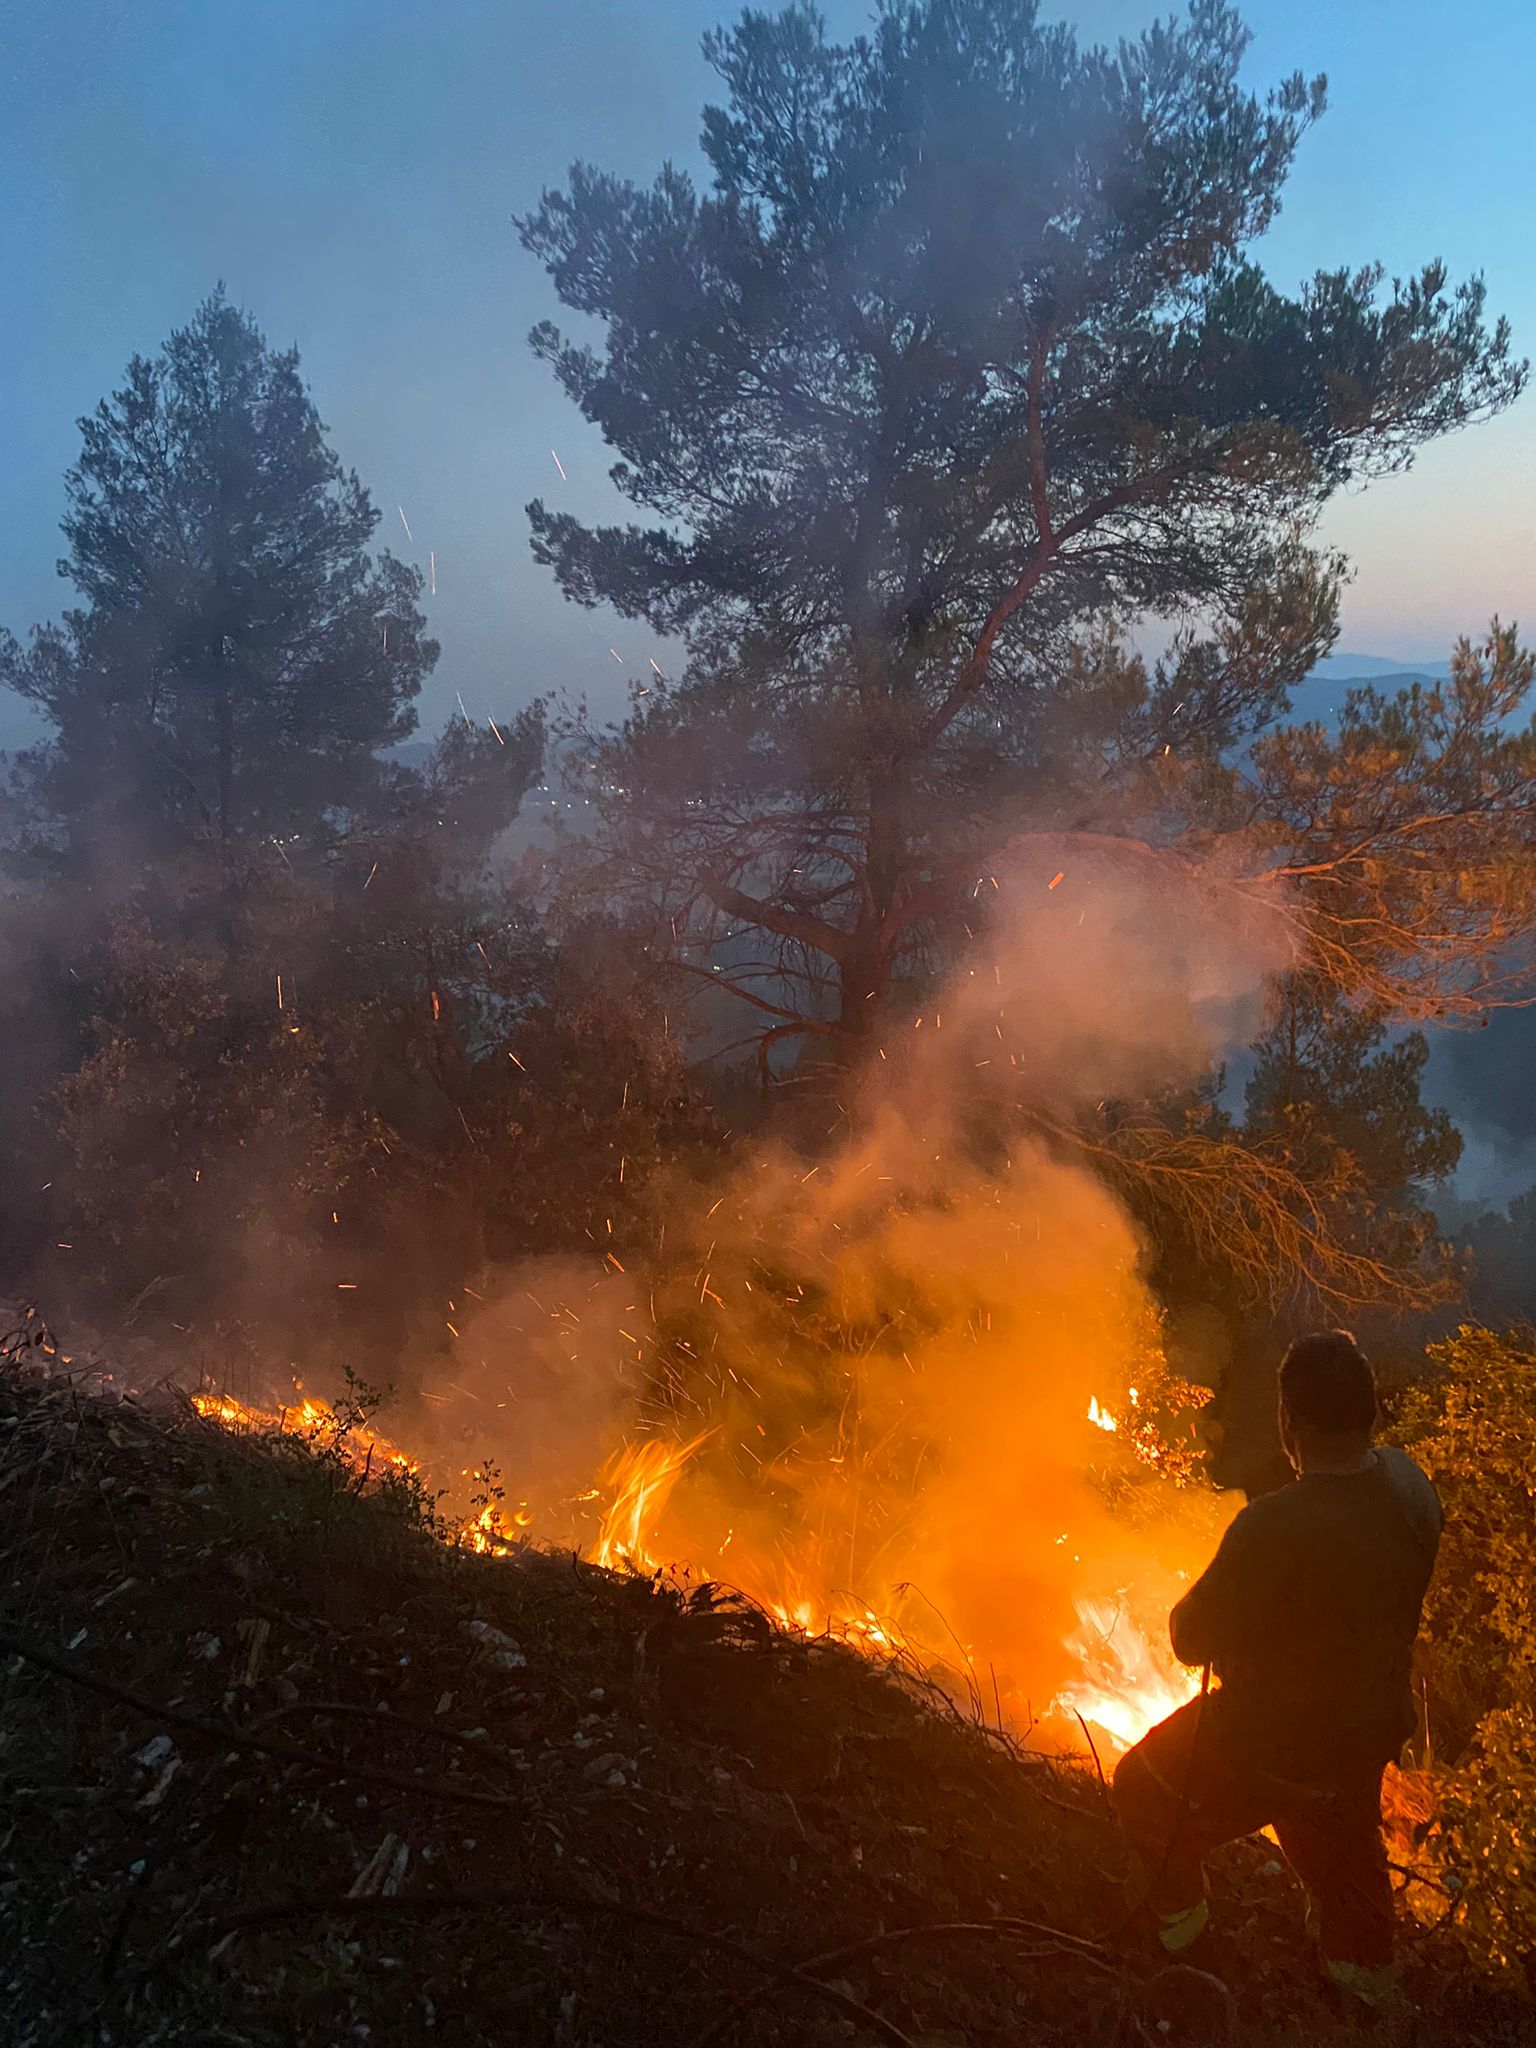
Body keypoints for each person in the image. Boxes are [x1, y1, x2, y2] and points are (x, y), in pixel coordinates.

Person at [1112, 1330, 1443, 2010]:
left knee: (1141, 1788)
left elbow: (1189, 1639)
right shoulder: (1411, 1488)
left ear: (1289, 1419)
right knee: (1339, 1839)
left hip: (1269, 1741)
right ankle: (1363, 1990)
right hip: (1367, 1731)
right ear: (1372, 1412)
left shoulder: (1271, 1525)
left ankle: (1185, 1944)